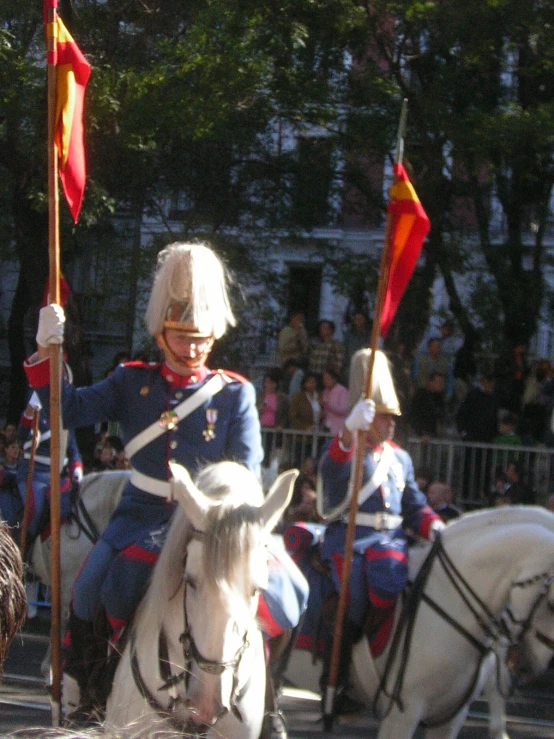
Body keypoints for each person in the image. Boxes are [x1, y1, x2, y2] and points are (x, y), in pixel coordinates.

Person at [26, 242, 308, 732]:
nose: (192, 347)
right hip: (141, 513)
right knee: (93, 587)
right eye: (181, 336)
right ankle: (88, 688)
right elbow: (68, 410)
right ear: (161, 334)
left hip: (214, 524)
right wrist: (46, 354)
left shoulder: (235, 393)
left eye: (200, 337)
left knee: (286, 594)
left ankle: (267, 703)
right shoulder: (130, 382)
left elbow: (246, 469)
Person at [317, 349, 443, 704]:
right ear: (369, 417)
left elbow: (414, 504)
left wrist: (432, 525)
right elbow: (332, 470)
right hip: (351, 539)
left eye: (392, 417)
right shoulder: (348, 451)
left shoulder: (399, 457)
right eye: (385, 416)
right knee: (352, 597)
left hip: (391, 540)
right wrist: (347, 433)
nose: (392, 423)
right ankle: (337, 676)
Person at [16, 393, 84, 542]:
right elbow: (21, 436)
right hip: (34, 475)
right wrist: (30, 412)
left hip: (59, 476)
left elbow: (73, 451)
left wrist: (77, 470)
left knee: (74, 506)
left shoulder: (66, 421)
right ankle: (23, 549)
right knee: (35, 509)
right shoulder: (35, 415)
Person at [407, 372, 446, 440]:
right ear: (430, 382)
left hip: (432, 435)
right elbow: (414, 415)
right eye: (439, 382)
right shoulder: (420, 395)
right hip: (420, 435)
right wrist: (421, 433)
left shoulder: (440, 398)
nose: (441, 385)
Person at [320, 369, 348, 436]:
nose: (325, 381)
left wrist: (327, 405)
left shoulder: (342, 391)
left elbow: (343, 410)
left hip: (338, 427)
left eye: (327, 379)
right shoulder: (325, 392)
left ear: (334, 379)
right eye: (324, 379)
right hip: (326, 425)